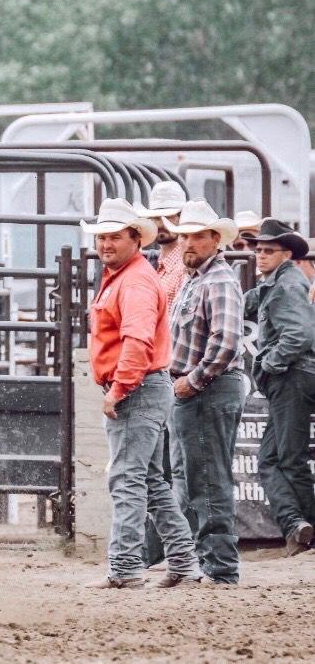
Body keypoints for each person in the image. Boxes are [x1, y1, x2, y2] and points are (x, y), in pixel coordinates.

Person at [80, 199, 200, 589]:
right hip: (146, 386)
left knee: (128, 479)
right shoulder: (130, 276)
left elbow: (137, 341)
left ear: (135, 239)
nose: (105, 244)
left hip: (138, 387)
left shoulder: (132, 281)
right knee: (148, 480)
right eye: (102, 237)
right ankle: (182, 561)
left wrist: (118, 389)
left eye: (114, 236)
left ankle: (126, 567)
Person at [163, 200, 245, 584]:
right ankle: (208, 561)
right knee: (197, 478)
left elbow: (226, 341)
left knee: (207, 479)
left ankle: (220, 567)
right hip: (198, 389)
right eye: (184, 236)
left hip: (206, 389)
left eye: (197, 236)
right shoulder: (198, 279)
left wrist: (192, 380)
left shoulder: (218, 280)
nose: (189, 243)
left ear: (215, 239)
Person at [243, 219, 315, 556]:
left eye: (269, 250)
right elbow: (252, 300)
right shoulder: (278, 283)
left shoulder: (287, 285)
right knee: (271, 459)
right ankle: (295, 525)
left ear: (286, 254)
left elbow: (300, 335)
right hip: (290, 378)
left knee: (289, 458)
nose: (261, 255)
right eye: (258, 250)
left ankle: (308, 532)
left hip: (292, 377)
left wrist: (270, 364)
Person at [136, 180, 188, 307]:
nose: (160, 224)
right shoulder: (154, 262)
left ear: (181, 217)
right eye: (156, 217)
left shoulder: (185, 268)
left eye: (168, 217)